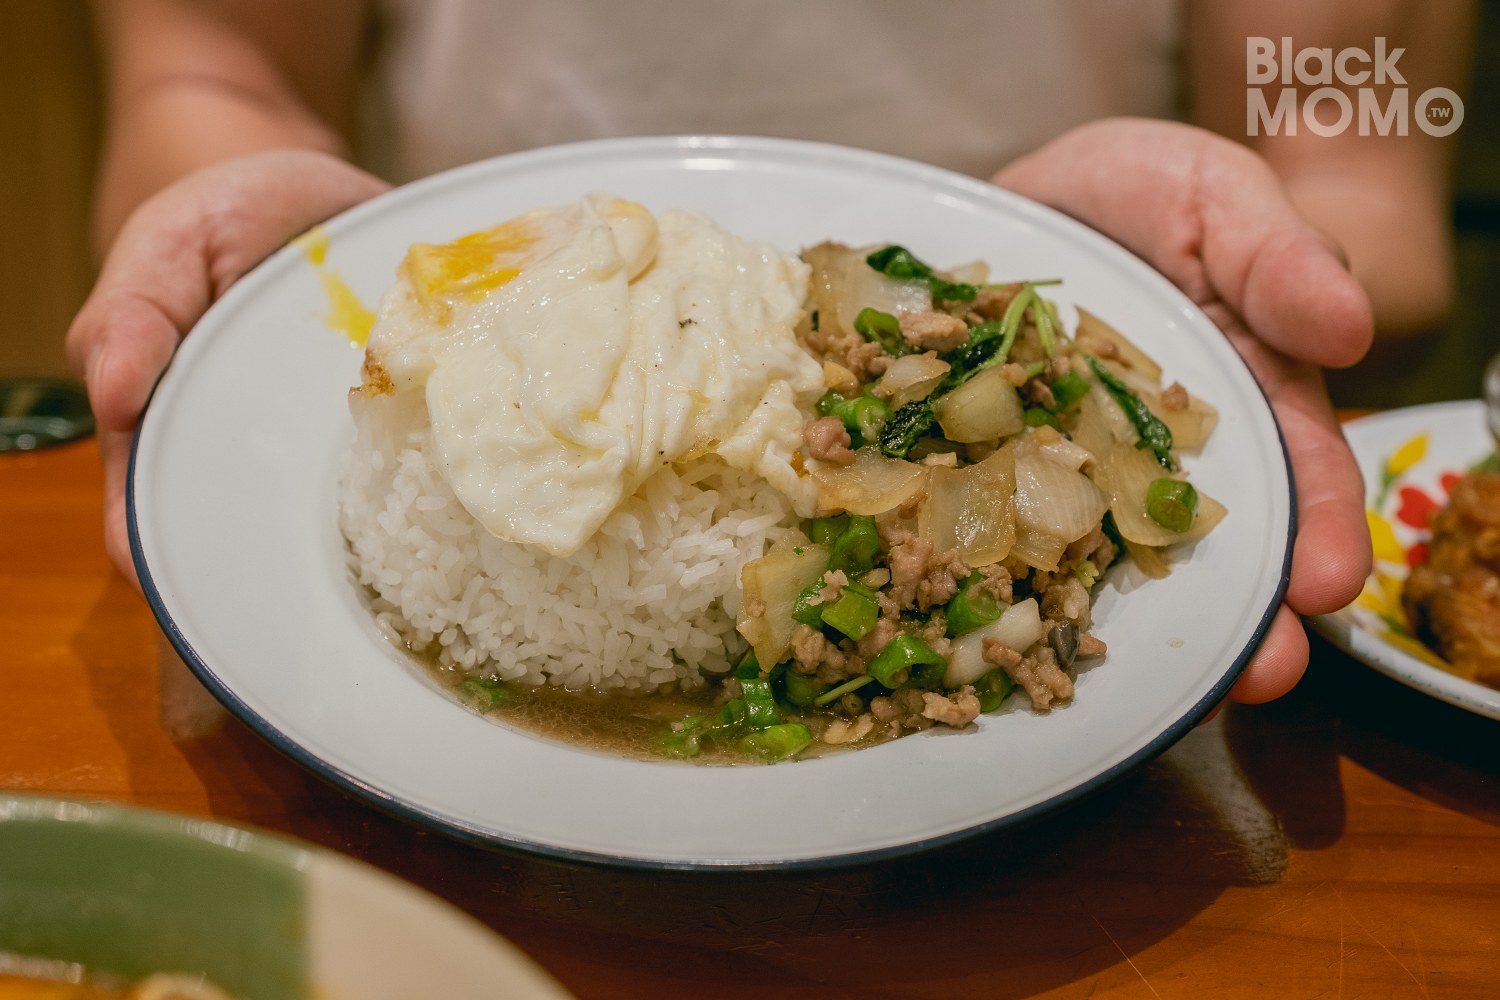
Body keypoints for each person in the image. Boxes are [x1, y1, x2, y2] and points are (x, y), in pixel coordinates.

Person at [65, 0, 1470, 705]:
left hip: (1072, 847)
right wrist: (254, 239)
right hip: (466, 291)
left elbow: (1347, 131)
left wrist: (1278, 245)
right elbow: (208, 62)